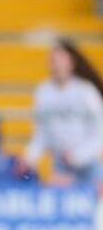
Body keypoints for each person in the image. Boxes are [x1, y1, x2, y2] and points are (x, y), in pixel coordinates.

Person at [19, 39, 103, 188]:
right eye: (53, 60)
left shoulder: (86, 91)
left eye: (61, 59)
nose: (56, 64)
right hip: (62, 168)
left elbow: (99, 133)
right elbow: (41, 134)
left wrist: (78, 155)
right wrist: (29, 158)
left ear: (72, 63)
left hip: (89, 167)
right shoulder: (43, 92)